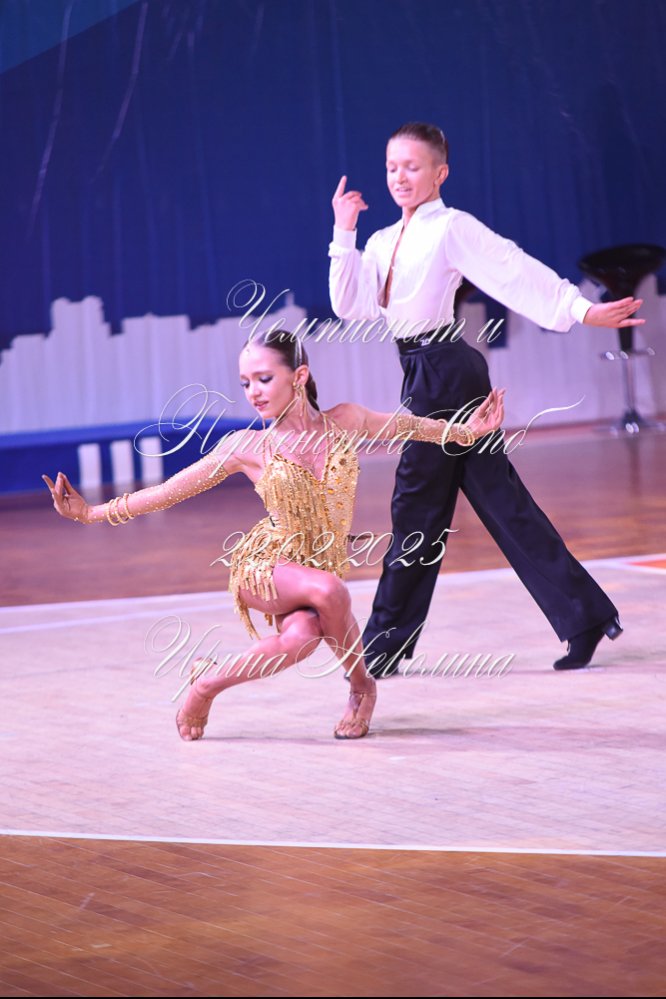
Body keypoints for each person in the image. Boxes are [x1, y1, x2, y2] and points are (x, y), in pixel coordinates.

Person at [43, 329, 505, 741]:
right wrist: (91, 514)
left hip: (319, 566)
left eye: (263, 379)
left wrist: (466, 432)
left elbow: (410, 426)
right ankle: (362, 685)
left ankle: (206, 682)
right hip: (266, 566)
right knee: (330, 591)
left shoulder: (345, 421)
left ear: (299, 375)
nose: (253, 393)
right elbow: (167, 492)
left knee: (302, 638)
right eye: (245, 383)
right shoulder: (247, 447)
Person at [328, 121, 643, 677]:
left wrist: (580, 310)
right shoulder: (380, 240)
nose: (400, 176)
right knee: (500, 505)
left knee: (415, 507)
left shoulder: (452, 228)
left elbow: (512, 269)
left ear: (440, 173)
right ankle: (585, 616)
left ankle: (382, 645)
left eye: (413, 166)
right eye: (392, 167)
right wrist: (343, 230)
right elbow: (349, 306)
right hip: (426, 371)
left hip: (446, 377)